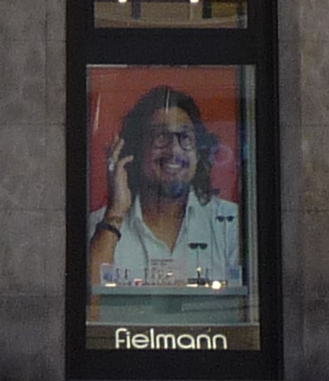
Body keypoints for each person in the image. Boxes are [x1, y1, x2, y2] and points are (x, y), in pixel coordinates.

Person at [87, 86, 245, 293]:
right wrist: (115, 213)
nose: (174, 151)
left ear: (199, 152)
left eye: (185, 137)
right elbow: (91, 303)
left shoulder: (229, 223)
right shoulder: (100, 226)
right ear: (137, 149)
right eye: (160, 136)